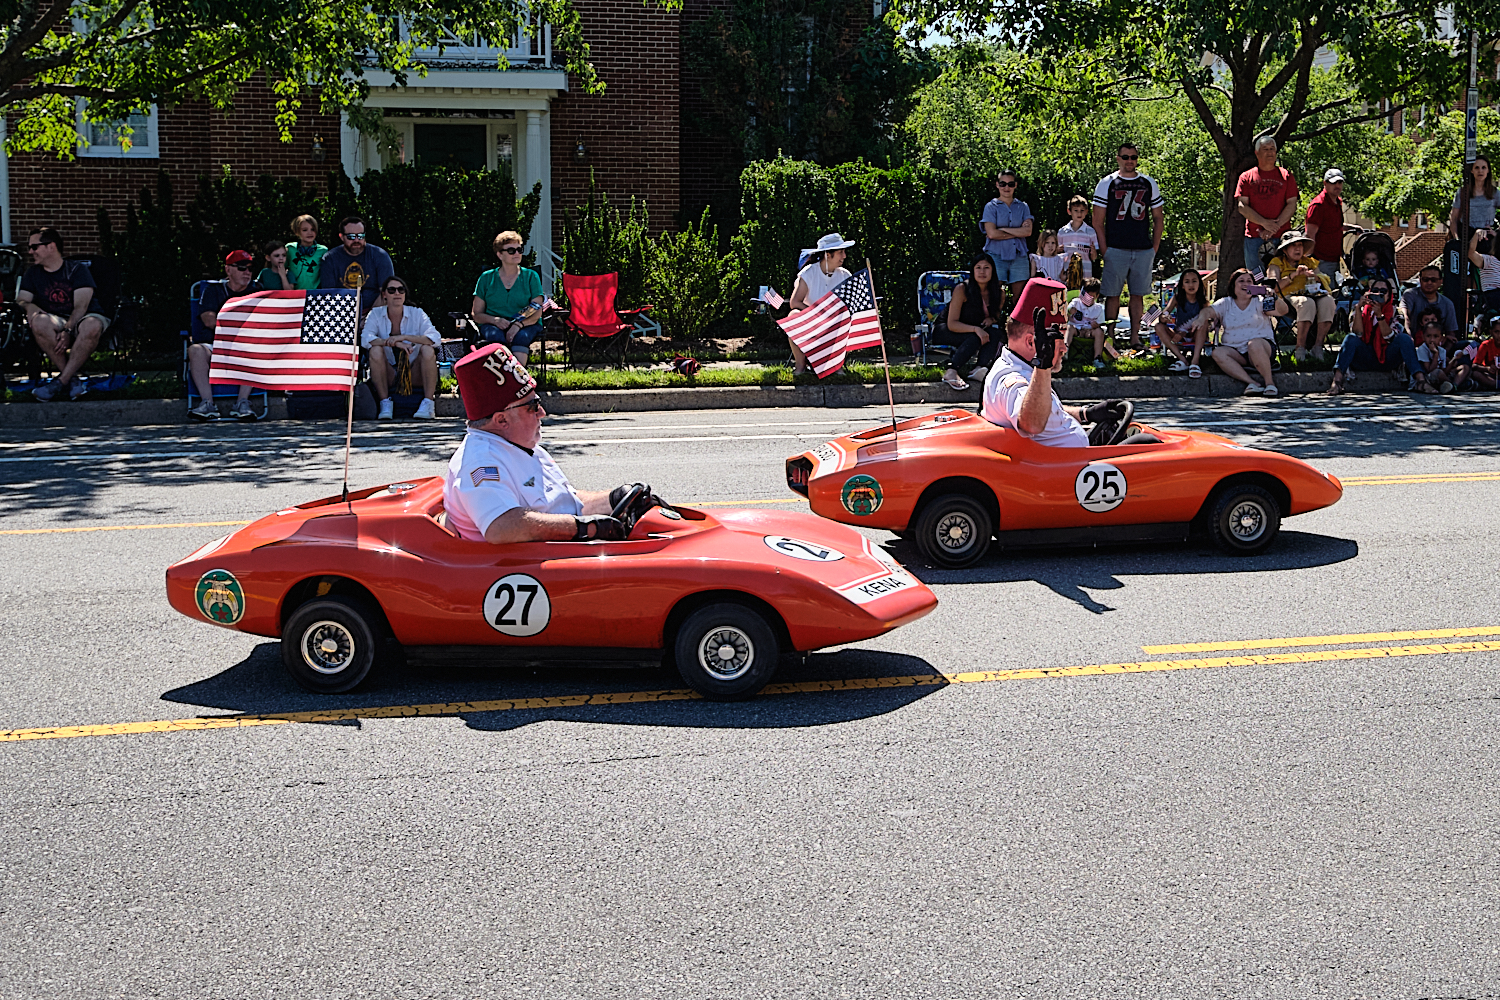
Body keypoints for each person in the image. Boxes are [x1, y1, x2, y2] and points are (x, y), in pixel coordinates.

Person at [442, 343, 638, 544]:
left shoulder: (521, 446)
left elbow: (566, 504)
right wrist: (583, 528)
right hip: (519, 561)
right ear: (501, 420)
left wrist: (615, 498)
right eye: (532, 406)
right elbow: (501, 527)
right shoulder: (480, 462)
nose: (542, 412)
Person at [981, 276, 1158, 447]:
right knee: (1148, 444)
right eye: (1058, 341)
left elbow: (1047, 411)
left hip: (1070, 457)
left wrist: (1086, 413)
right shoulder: (1012, 380)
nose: (1064, 348)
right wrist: (1043, 365)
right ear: (1031, 342)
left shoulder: (1015, 367)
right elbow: (1031, 424)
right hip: (1064, 464)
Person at [17, 228, 107, 402]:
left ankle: (60, 382)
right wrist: (30, 306)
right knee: (39, 322)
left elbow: (81, 307)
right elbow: (21, 300)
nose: (30, 252)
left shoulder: (77, 270)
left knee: (92, 325)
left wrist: (67, 330)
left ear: (51, 246)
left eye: (34, 247)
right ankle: (71, 380)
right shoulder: (33, 273)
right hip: (55, 319)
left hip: (85, 317)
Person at [1091, 143, 1165, 350]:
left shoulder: (1148, 183)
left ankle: (1135, 337)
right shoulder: (1107, 183)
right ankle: (1110, 337)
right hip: (1115, 247)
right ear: (1118, 158)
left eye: (1133, 157)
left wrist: (1154, 247)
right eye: (1125, 157)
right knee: (1112, 295)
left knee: (1137, 295)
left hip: (1142, 248)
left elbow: (1158, 218)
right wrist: (1104, 249)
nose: (1129, 161)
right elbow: (1097, 220)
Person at [1187, 268, 1289, 397]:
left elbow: (1283, 311)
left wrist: (1274, 297)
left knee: (1254, 344)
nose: (1245, 284)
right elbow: (1207, 311)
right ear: (1233, 285)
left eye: (1249, 281)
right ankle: (1252, 383)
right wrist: (1201, 319)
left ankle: (1270, 383)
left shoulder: (1260, 301)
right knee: (1218, 352)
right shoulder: (1226, 303)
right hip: (1236, 351)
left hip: (1261, 348)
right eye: (1241, 281)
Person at [188, 250, 263, 421]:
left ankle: (242, 403)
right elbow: (209, 320)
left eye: (250, 268)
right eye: (242, 267)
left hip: (244, 346)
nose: (247, 272)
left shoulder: (257, 291)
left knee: (256, 348)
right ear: (228, 270)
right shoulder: (212, 290)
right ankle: (207, 403)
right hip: (215, 343)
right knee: (195, 350)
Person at [1326, 275, 1431, 396]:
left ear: (1389, 294)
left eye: (1383, 291)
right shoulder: (1361, 310)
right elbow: (1357, 333)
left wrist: (1380, 316)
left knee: (1404, 339)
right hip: (1365, 356)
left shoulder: (1396, 312)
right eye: (1375, 291)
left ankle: (1421, 381)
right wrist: (1359, 309)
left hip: (1387, 356)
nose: (1378, 294)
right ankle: (1337, 381)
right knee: (1350, 338)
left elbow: (1390, 337)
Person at [362, 276, 440, 420]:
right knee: (375, 350)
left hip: (414, 372)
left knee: (428, 350)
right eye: (392, 290)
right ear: (384, 295)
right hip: (389, 374)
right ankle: (385, 402)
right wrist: (393, 343)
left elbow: (435, 338)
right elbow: (366, 339)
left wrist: (403, 337)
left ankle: (428, 403)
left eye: (401, 290)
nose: (397, 293)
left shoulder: (417, 313)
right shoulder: (375, 314)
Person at [930, 252, 1005, 390]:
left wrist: (990, 319)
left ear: (993, 271)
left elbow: (996, 315)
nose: (982, 272)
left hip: (975, 329)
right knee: (975, 337)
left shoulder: (999, 293)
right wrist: (976, 329)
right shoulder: (962, 289)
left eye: (986, 268)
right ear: (973, 270)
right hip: (946, 329)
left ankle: (979, 368)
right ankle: (952, 371)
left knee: (996, 334)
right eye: (978, 268)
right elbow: (952, 323)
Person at [471, 230, 546, 366]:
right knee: (495, 339)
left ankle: (517, 376)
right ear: (500, 254)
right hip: (493, 324)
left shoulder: (531, 276)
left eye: (519, 249)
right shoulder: (486, 278)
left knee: (521, 337)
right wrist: (495, 320)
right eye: (511, 250)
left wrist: (518, 325)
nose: (517, 253)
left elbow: (536, 309)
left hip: (527, 323)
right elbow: (477, 313)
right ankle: (500, 376)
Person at [788, 232, 855, 375]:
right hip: (811, 323)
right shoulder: (809, 273)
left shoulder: (845, 275)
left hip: (835, 325)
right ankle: (800, 366)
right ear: (828, 255)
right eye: (840, 252)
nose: (844, 256)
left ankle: (836, 365)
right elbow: (795, 302)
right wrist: (818, 314)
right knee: (793, 315)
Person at [1264, 230, 1334, 361]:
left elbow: (1324, 279)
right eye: (1293, 245)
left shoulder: (1310, 262)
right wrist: (1294, 275)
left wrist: (1315, 277)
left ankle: (1318, 346)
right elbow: (1273, 286)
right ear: (1285, 250)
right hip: (1286, 300)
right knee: (1306, 302)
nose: (1298, 249)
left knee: (1328, 301)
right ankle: (1300, 347)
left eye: (1300, 245)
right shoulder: (1276, 263)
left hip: (1312, 295)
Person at [1235, 137, 1299, 272]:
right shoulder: (1246, 177)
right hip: (1254, 237)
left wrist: (1273, 227)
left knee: (1281, 275)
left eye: (1272, 149)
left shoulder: (1286, 176)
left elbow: (1292, 204)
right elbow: (1242, 206)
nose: (1270, 152)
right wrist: (1264, 223)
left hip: (1281, 237)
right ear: (1257, 153)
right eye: (1265, 149)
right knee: (1256, 276)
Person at [318, 215, 395, 317]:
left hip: (377, 313)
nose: (356, 240)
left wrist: (370, 319)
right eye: (351, 237)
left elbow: (387, 293)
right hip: (341, 314)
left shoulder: (380, 256)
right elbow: (330, 295)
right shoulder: (330, 259)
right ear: (341, 237)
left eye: (360, 236)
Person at [980, 169, 1034, 296]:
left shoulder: (1023, 207)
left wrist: (1002, 229)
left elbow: (1028, 231)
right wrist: (1018, 232)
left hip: (1019, 256)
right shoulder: (990, 207)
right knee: (993, 295)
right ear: (997, 185)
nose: (1006, 188)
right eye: (1003, 184)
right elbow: (991, 234)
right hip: (995, 255)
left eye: (1010, 184)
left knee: (1020, 297)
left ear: (1015, 185)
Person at [1304, 169, 1360, 284]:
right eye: (1333, 183)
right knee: (1327, 291)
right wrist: (1310, 262)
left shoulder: (1337, 202)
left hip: (1335, 259)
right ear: (1325, 183)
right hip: (1321, 261)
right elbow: (1310, 234)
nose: (1337, 186)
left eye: (1339, 183)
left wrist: (1352, 228)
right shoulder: (1318, 205)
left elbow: (1334, 226)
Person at [1154, 269, 1210, 378]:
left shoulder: (1203, 302)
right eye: (1187, 282)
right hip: (1178, 335)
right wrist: (1165, 317)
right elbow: (1164, 314)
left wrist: (1184, 333)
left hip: (1196, 334)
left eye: (1194, 281)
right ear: (1182, 285)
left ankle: (1195, 361)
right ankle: (1182, 359)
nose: (1191, 285)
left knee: (1203, 323)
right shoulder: (1177, 298)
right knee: (1158, 326)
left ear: (1199, 283)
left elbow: (1207, 321)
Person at [1066, 277, 1119, 370]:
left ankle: (1097, 358)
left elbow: (1100, 323)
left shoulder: (1099, 308)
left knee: (1099, 332)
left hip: (1089, 331)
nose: (1087, 300)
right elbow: (1068, 308)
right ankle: (1065, 352)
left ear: (1097, 296)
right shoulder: (1076, 302)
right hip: (1076, 329)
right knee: (1069, 328)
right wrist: (1070, 310)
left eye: (1091, 298)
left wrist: (1096, 325)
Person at [1399, 265, 1460, 338]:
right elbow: (1405, 317)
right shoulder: (1410, 295)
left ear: (1441, 281)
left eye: (1433, 280)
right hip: (1411, 339)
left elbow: (1450, 333)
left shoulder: (1447, 304)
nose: (1429, 282)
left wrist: (1445, 345)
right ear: (1420, 280)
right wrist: (1409, 337)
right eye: (1425, 279)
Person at [1415, 313, 1464, 393]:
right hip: (1427, 378)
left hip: (1439, 376)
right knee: (1438, 372)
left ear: (1441, 338)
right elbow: (1429, 370)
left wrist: (1454, 359)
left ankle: (1448, 385)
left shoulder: (1442, 351)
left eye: (1435, 336)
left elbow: (1444, 371)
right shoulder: (1422, 349)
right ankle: (1453, 386)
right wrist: (1435, 354)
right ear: (1423, 337)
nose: (1432, 340)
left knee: (1463, 368)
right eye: (1428, 336)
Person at [1448, 156, 1496, 235]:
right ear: (1472, 170)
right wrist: (1456, 238)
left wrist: (1495, 234)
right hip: (1467, 236)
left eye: (1483, 167)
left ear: (1488, 170)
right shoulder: (1463, 192)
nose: (1480, 171)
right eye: (1477, 168)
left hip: (1487, 237)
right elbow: (1454, 218)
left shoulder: (1495, 193)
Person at [1057, 194, 1099, 283]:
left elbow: (1094, 257)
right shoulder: (1062, 232)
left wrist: (1093, 252)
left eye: (1082, 210)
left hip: (1085, 276)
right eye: (1076, 210)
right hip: (1067, 276)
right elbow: (1057, 254)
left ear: (1086, 212)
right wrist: (1057, 250)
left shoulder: (1090, 232)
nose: (1079, 213)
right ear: (1069, 211)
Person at [285, 214, 326, 291]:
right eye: (305, 230)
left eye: (313, 229)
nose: (310, 233)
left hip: (313, 293)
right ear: (297, 232)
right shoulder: (290, 248)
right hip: (293, 293)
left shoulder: (323, 250)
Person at [1467, 227, 1500, 315]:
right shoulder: (1489, 261)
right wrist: (1476, 234)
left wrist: (1495, 234)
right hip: (1493, 300)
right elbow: (1471, 253)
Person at [1469, 313, 1500, 390]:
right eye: (1496, 332)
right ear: (1491, 332)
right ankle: (1495, 384)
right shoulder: (1486, 345)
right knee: (1476, 374)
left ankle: (1490, 385)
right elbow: (1474, 366)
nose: (1499, 335)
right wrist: (1488, 369)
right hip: (1489, 375)